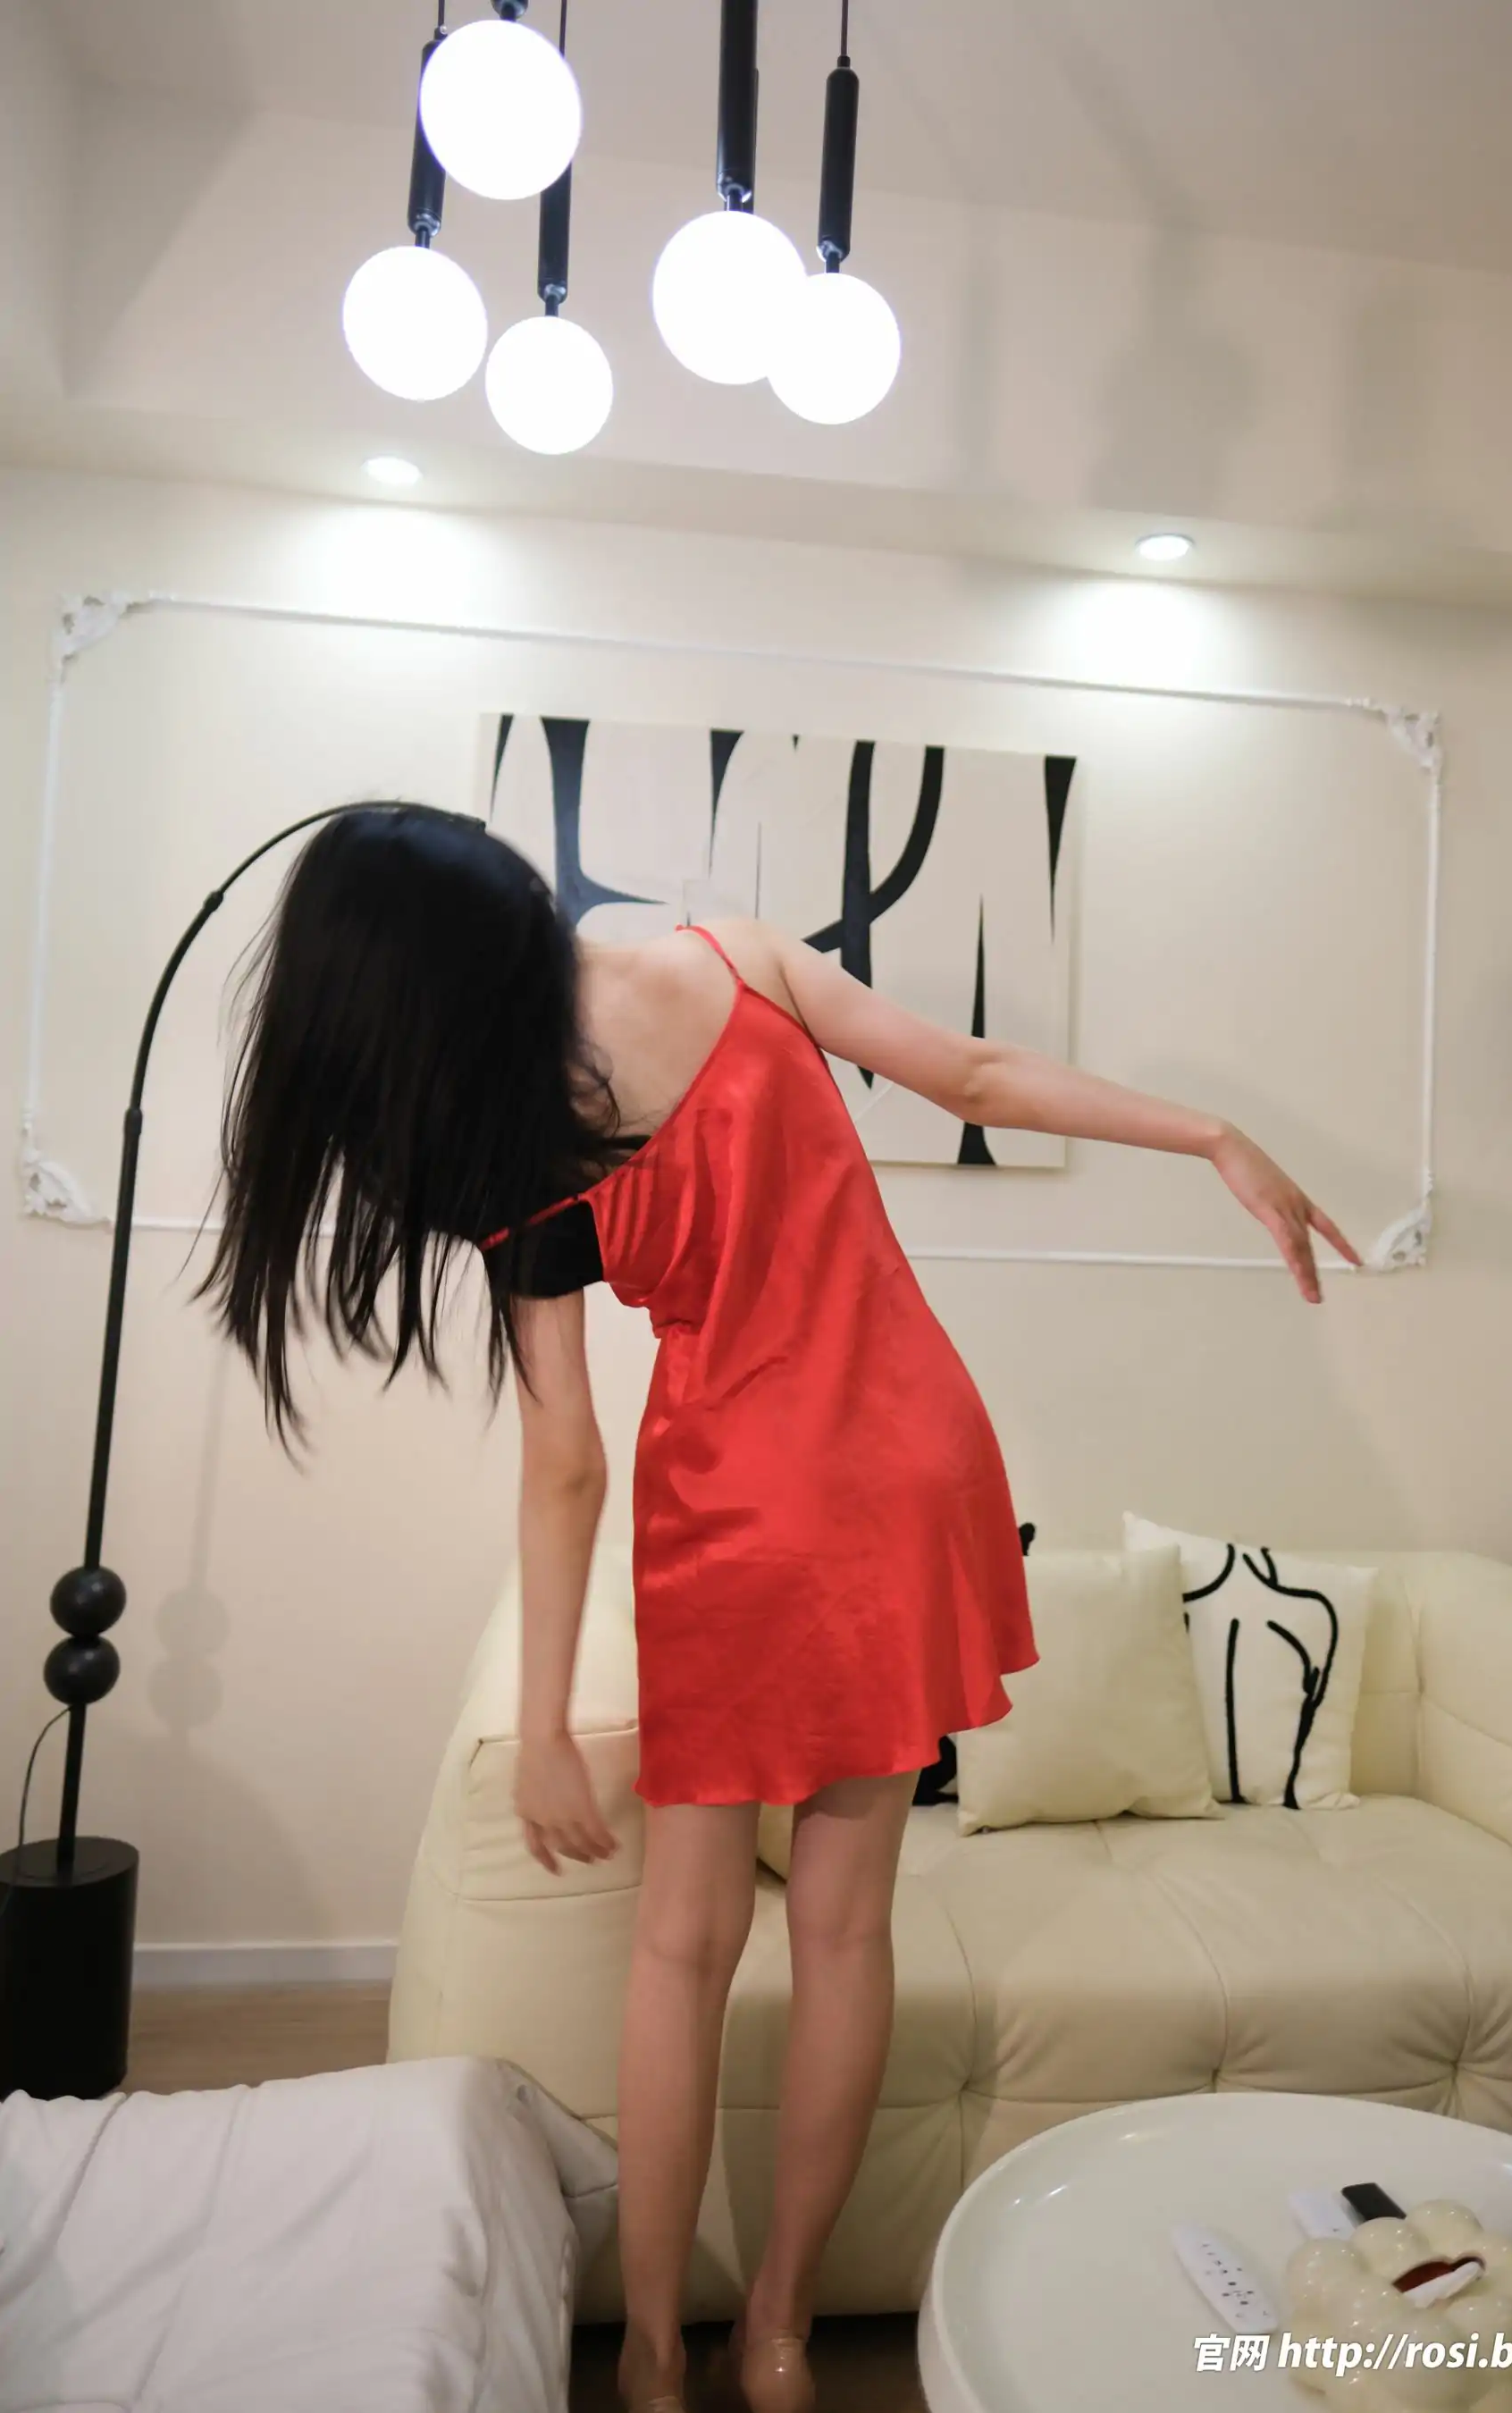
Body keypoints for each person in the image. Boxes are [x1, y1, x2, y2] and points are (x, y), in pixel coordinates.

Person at [205, 803, 1359, 2413]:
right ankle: (785, 2335)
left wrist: (545, 1720)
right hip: (908, 1472)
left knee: (681, 1949)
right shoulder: (736, 960)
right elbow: (978, 1078)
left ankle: (656, 2351)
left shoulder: (518, 1153)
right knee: (845, 1930)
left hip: (738, 1518)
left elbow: (564, 1463)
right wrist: (1214, 1135)